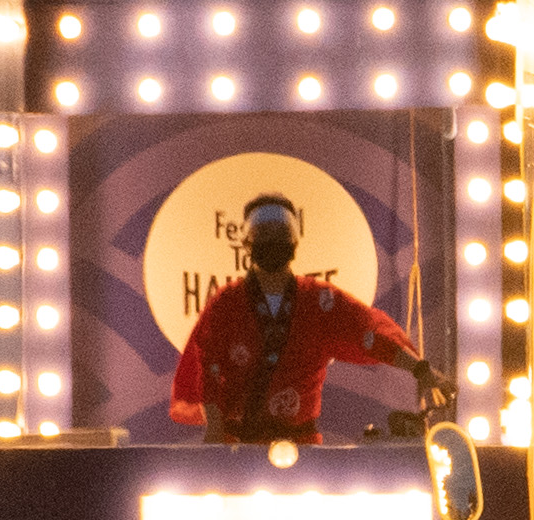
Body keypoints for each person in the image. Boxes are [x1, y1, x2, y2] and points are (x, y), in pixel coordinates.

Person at [166, 190, 449, 444]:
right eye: (263, 235)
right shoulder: (227, 304)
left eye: (280, 234)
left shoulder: (319, 300)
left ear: (294, 242)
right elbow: (209, 367)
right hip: (237, 445)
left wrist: (420, 370)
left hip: (300, 446)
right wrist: (214, 430)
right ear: (248, 244)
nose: (272, 242)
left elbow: (369, 334)